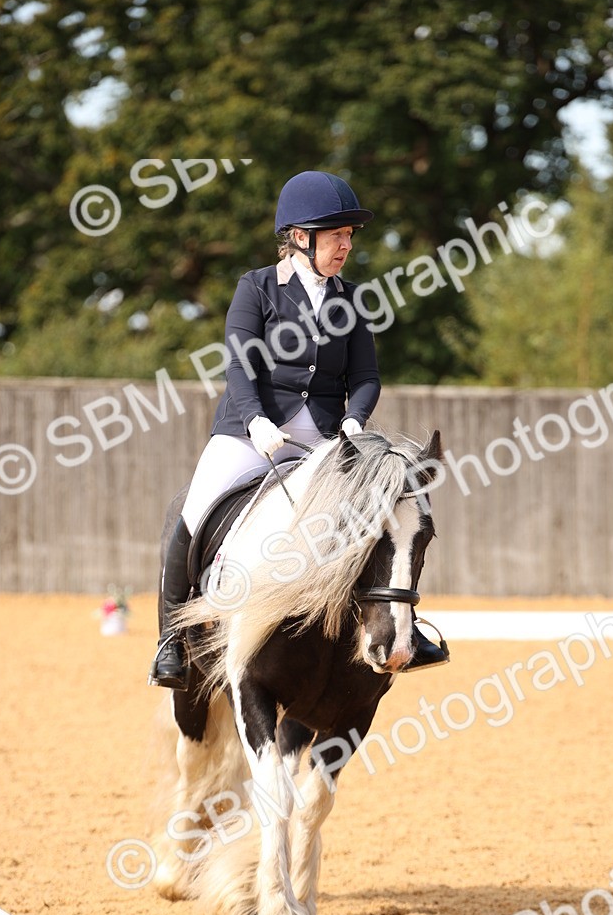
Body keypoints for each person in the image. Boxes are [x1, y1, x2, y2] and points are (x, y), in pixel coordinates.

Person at [149, 170, 448, 688]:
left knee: (385, 517)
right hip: (251, 433)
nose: (345, 246)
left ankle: (402, 626)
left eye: (349, 236)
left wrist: (353, 420)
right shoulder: (257, 288)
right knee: (192, 512)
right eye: (336, 236)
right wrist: (255, 419)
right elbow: (240, 365)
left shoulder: (352, 299)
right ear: (300, 237)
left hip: (329, 443)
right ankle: (171, 642)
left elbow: (366, 377)